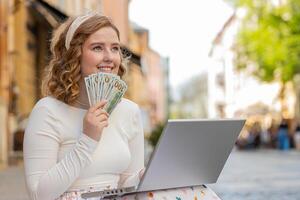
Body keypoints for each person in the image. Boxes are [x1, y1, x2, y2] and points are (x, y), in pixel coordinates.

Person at [23, 12, 220, 200]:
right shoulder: (47, 111)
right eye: (98, 47)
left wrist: (146, 176)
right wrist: (87, 139)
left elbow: (128, 181)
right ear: (75, 56)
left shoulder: (129, 111)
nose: (110, 57)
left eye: (115, 48)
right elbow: (40, 194)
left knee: (195, 190)